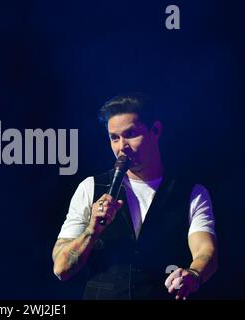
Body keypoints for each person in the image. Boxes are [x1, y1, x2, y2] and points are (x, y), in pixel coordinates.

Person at [52, 93, 218, 300]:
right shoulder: (90, 188)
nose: (122, 146)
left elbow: (205, 250)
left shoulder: (191, 192)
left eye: (131, 134)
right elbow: (61, 268)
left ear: (155, 130)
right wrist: (92, 230)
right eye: (114, 138)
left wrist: (193, 274)